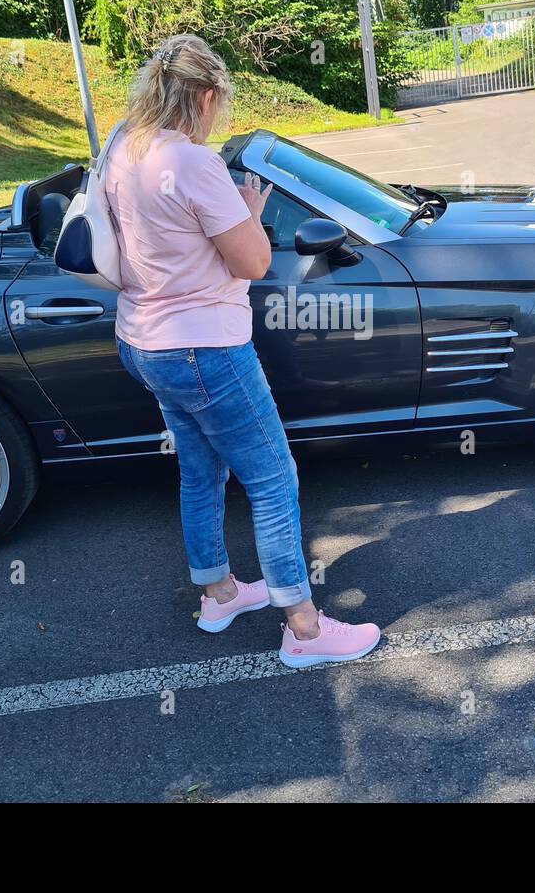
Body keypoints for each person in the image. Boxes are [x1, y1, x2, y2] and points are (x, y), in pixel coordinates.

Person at [107, 34, 381, 669]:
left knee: (201, 470)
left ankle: (220, 593)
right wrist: (250, 211)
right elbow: (254, 262)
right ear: (205, 96)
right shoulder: (196, 163)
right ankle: (305, 630)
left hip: (144, 343)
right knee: (273, 478)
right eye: (217, 104)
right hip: (206, 349)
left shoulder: (122, 147)